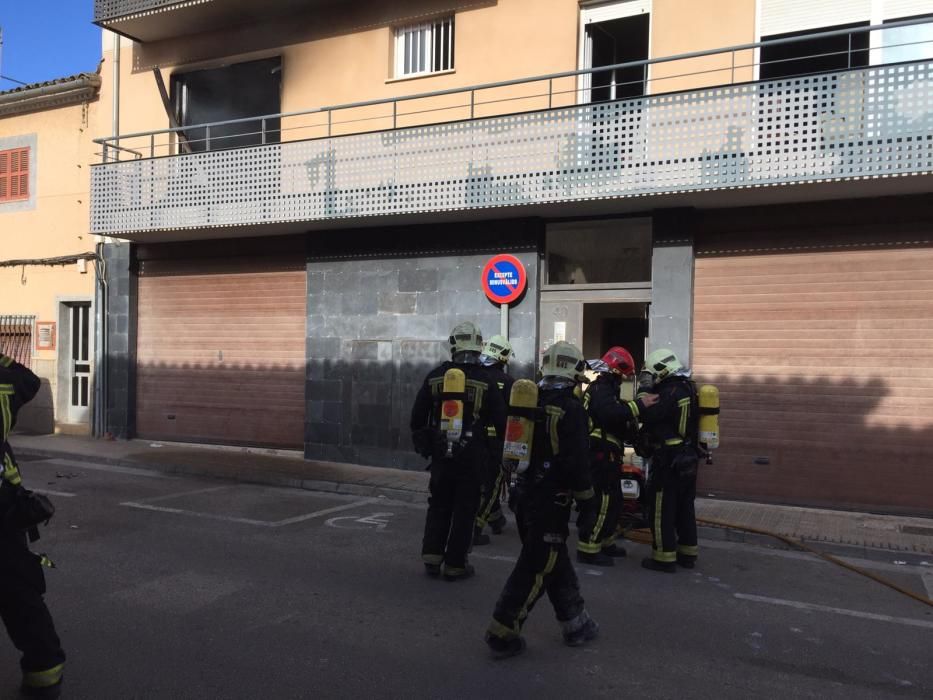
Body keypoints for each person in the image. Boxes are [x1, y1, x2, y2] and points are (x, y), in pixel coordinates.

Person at [484, 342, 598, 659]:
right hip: (550, 502)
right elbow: (576, 463)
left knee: (553, 560)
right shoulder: (571, 410)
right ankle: (502, 631)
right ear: (574, 371)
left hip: (523, 496)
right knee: (536, 567)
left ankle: (576, 624)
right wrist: (588, 502)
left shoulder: (529, 400)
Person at [410, 322, 506, 581]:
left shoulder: (436, 376)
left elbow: (417, 418)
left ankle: (432, 557)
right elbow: (501, 421)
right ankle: (455, 565)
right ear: (478, 347)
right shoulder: (486, 380)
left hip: (442, 455)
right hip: (473, 457)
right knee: (465, 510)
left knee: (439, 504)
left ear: (453, 345)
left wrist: (429, 445)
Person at [0, 353, 66, 698]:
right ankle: (44, 672)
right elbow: (28, 379)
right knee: (18, 594)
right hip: (3, 512)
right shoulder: (4, 381)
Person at [635, 349, 701, 573]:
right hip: (689, 458)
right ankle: (688, 553)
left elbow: (647, 415)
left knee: (662, 508)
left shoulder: (668, 392)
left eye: (651, 375)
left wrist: (643, 392)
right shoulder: (689, 388)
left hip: (668, 461)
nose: (651, 380)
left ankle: (663, 558)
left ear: (661, 371)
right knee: (685, 507)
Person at [576, 346, 639, 566]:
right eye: (624, 376)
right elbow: (610, 415)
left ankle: (606, 541)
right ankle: (589, 548)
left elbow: (616, 420)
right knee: (602, 500)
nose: (624, 380)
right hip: (599, 452)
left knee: (614, 500)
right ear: (616, 370)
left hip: (607, 452)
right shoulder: (602, 389)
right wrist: (637, 407)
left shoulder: (606, 390)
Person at [473, 335, 514, 546]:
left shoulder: (474, 375)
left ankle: (496, 519)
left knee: (480, 482)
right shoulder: (508, 382)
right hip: (495, 440)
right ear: (503, 358)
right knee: (493, 484)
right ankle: (476, 527)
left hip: (473, 438)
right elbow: (510, 417)